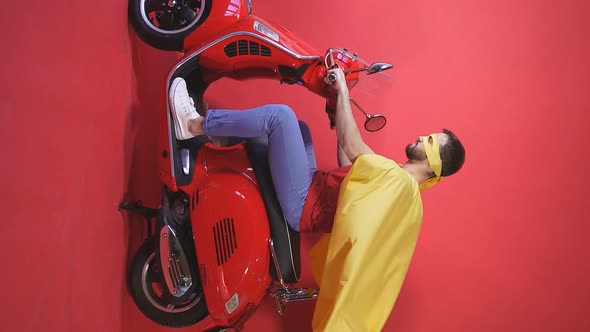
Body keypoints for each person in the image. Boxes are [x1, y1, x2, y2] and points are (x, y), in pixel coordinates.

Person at [170, 68, 465, 234]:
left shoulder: (399, 184)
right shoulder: (396, 177)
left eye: (428, 141)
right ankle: (215, 142)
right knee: (299, 129)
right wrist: (338, 112)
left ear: (432, 164)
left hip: (304, 205)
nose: (419, 137)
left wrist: (344, 93)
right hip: (314, 187)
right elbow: (347, 161)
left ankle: (193, 125)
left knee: (280, 118)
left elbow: (353, 147)